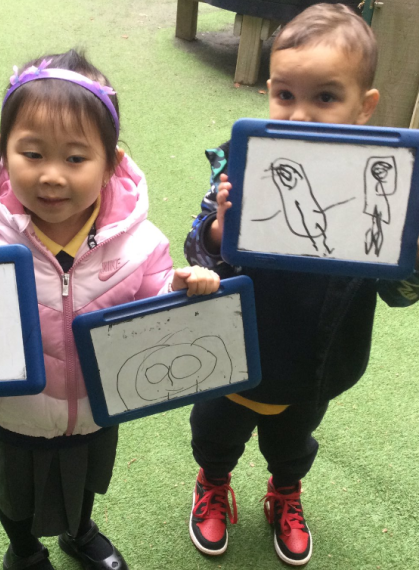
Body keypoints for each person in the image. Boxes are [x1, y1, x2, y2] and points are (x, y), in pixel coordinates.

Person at [0, 49, 220, 570]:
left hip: (97, 408)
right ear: (3, 152)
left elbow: (154, 320)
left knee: (88, 480)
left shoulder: (142, 244)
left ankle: (80, 533)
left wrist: (184, 292)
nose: (52, 176)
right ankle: (24, 550)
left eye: (76, 158)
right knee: (16, 495)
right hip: (16, 411)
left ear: (111, 163)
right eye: (32, 154)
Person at [184, 4, 419, 566]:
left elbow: (399, 292)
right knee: (215, 433)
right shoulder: (238, 167)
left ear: (365, 106)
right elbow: (199, 250)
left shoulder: (383, 188)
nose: (300, 114)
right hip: (235, 350)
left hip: (318, 360)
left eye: (326, 97)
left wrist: (410, 254)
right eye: (286, 95)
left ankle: (285, 491)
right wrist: (218, 228)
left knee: (292, 443)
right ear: (269, 91)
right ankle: (212, 482)